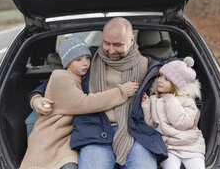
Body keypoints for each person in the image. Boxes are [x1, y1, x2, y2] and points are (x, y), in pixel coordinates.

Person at [30, 17, 168, 169]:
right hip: (94, 130)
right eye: (106, 43)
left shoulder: (148, 66)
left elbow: (172, 88)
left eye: (118, 45)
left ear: (131, 40)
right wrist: (36, 98)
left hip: (135, 132)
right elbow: (60, 81)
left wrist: (194, 109)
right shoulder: (88, 61)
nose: (110, 50)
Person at [20, 36, 139, 169]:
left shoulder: (86, 69)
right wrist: (122, 92)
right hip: (53, 138)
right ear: (67, 63)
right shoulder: (61, 77)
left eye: (87, 58)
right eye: (78, 60)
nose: (85, 63)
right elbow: (85, 103)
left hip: (71, 135)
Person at [141, 57, 206, 169]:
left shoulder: (187, 100)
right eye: (160, 76)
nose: (160, 80)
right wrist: (146, 105)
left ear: (176, 84)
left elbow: (184, 123)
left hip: (190, 146)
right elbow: (151, 124)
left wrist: (171, 102)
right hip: (169, 147)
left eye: (166, 79)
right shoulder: (155, 100)